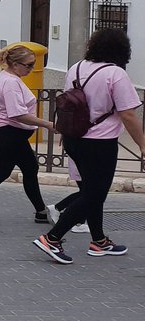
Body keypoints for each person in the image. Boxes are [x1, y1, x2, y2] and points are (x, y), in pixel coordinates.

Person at [33, 29, 145, 264]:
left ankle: (99, 241)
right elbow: (128, 114)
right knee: (95, 194)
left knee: (90, 191)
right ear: (122, 50)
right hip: (100, 143)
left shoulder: (76, 67)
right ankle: (52, 238)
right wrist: (143, 145)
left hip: (74, 138)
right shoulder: (116, 74)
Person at [0, 45, 54, 226]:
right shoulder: (11, 83)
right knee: (6, 172)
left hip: (6, 134)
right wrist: (47, 124)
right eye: (28, 65)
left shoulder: (8, 77)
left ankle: (40, 211)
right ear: (14, 64)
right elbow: (17, 114)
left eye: (34, 64)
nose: (31, 69)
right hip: (6, 134)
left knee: (26, 169)